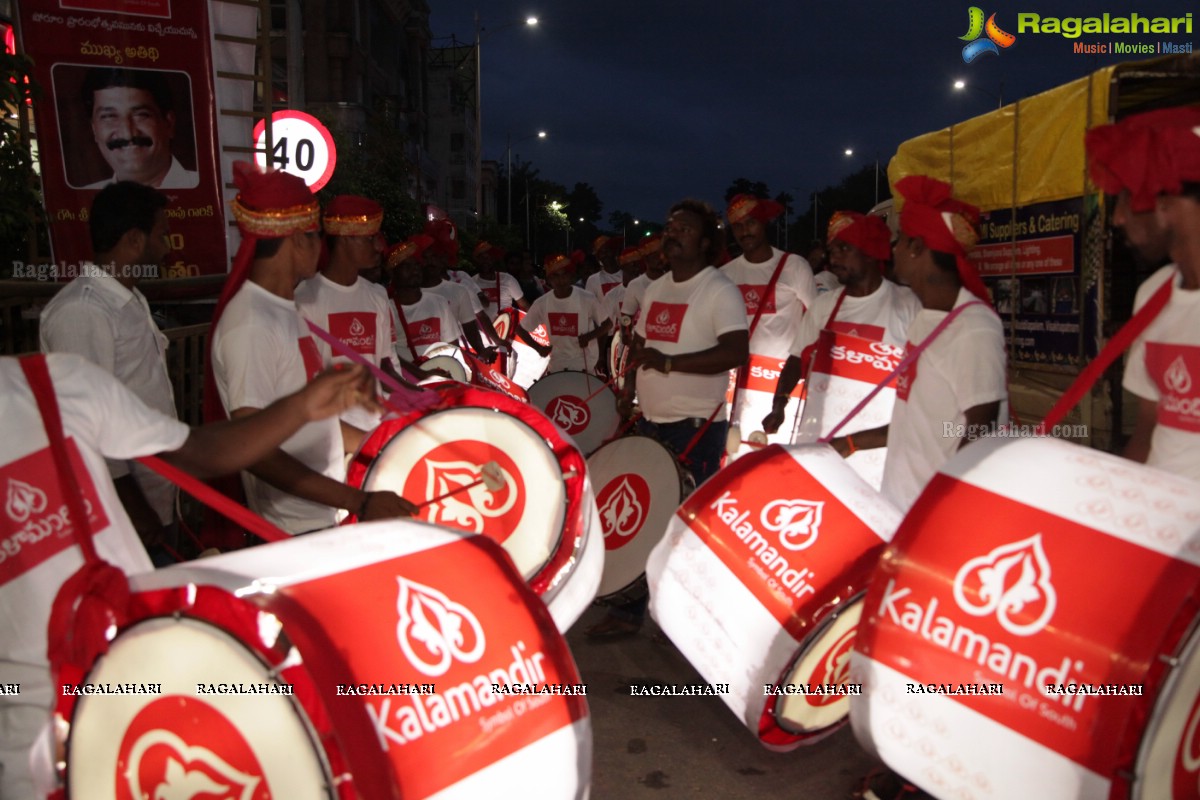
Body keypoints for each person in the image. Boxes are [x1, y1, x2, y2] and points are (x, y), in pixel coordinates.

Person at [0, 351, 375, 799]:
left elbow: (200, 453)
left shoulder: (53, 382)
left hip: (158, 679)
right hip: (33, 740)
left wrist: (299, 408)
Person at [207, 163, 416, 534]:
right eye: (318, 236)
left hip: (327, 507)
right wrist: (360, 502)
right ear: (298, 240)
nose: (323, 247)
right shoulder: (252, 322)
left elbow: (310, 418)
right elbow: (253, 448)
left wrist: (389, 441)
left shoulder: (286, 311)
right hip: (294, 526)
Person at [589, 200, 748, 640]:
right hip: (650, 420)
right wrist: (627, 392)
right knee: (645, 522)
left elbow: (735, 353)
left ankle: (691, 620)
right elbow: (641, 350)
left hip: (694, 426)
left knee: (683, 526)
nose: (672, 233)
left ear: (706, 241)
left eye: (684, 228)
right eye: (669, 226)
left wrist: (670, 363)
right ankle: (628, 614)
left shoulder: (718, 290)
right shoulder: (657, 290)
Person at [831, 177, 1007, 513]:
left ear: (916, 247)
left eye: (899, 241)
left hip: (931, 515)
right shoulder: (926, 318)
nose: (892, 249)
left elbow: (981, 434)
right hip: (899, 505)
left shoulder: (973, 329)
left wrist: (940, 513)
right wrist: (852, 443)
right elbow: (921, 418)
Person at [39, 181, 180, 562]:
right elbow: (87, 424)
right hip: (117, 512)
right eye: (162, 236)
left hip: (151, 495)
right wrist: (130, 504)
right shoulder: (82, 312)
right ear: (134, 241)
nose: (167, 247)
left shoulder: (129, 298)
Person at [1087, 106, 1200, 482]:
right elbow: (1148, 430)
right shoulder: (1154, 295)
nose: (1118, 218)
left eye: (1125, 198)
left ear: (1165, 202)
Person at [763, 211, 921, 441]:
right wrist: (780, 404)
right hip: (821, 437)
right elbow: (796, 359)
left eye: (844, 249)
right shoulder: (824, 305)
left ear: (869, 252)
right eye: (832, 250)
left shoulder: (907, 305)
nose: (834, 259)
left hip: (878, 444)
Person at [295, 195, 399, 431]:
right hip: (330, 434)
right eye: (370, 238)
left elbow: (384, 367)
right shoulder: (304, 299)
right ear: (344, 240)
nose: (379, 246)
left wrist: (425, 393)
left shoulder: (377, 296)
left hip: (377, 426)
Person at [720, 194, 816, 444]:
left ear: (764, 224)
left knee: (773, 460)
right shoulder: (725, 274)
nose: (745, 232)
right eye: (738, 227)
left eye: (751, 223)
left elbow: (816, 322)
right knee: (733, 457)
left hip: (782, 383)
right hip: (736, 382)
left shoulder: (793, 266)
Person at [80, 67, 198, 190]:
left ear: (169, 123)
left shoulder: (211, 189)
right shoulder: (84, 199)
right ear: (94, 129)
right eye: (109, 116)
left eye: (141, 115)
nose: (127, 134)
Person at [517, 253, 610, 373]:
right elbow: (520, 330)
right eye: (555, 276)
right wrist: (538, 348)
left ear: (571, 276)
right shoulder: (542, 303)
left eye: (564, 274)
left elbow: (607, 324)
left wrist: (589, 336)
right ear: (549, 279)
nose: (561, 280)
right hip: (557, 365)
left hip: (585, 365)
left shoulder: (587, 298)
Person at [386, 236, 464, 375]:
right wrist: (422, 374)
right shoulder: (386, 309)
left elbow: (452, 347)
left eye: (416, 265)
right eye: (407, 266)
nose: (415, 270)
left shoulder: (438, 302)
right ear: (392, 273)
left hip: (440, 379)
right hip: (405, 384)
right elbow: (387, 357)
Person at [474, 240, 529, 318]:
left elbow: (524, 305)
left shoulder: (508, 280)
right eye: (482, 258)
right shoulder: (472, 282)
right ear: (477, 261)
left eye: (488, 258)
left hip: (505, 327)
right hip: (481, 329)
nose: (485, 262)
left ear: (494, 260)